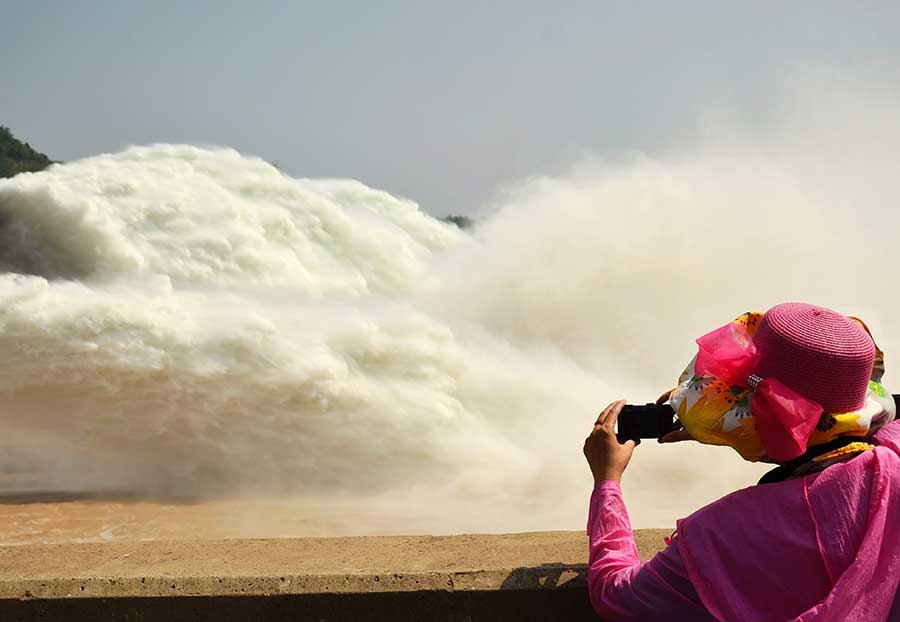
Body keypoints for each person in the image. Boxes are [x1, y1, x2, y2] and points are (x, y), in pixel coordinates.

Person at [583, 302, 900, 621]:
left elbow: (617, 595)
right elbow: (833, 445)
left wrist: (606, 482)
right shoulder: (893, 455)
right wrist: (738, 428)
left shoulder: (721, 536)